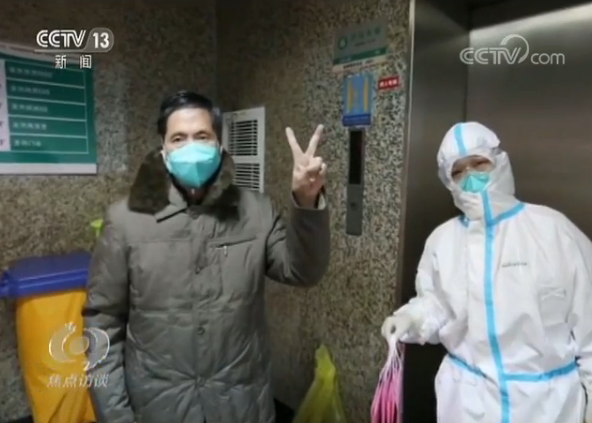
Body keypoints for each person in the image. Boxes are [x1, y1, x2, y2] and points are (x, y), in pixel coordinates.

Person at [83, 90, 331, 423]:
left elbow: (303, 271)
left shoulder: (256, 212)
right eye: (178, 138)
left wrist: (307, 201)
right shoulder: (125, 220)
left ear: (219, 144)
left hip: (241, 405)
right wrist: (115, 416)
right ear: (163, 151)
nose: (191, 147)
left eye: (202, 136)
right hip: (157, 406)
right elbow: (102, 322)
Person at [381, 122, 592, 423]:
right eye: (458, 171)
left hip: (548, 408)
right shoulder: (443, 240)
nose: (470, 176)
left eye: (479, 163)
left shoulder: (553, 231)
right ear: (448, 181)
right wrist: (412, 318)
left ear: (499, 161)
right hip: (467, 405)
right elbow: (438, 305)